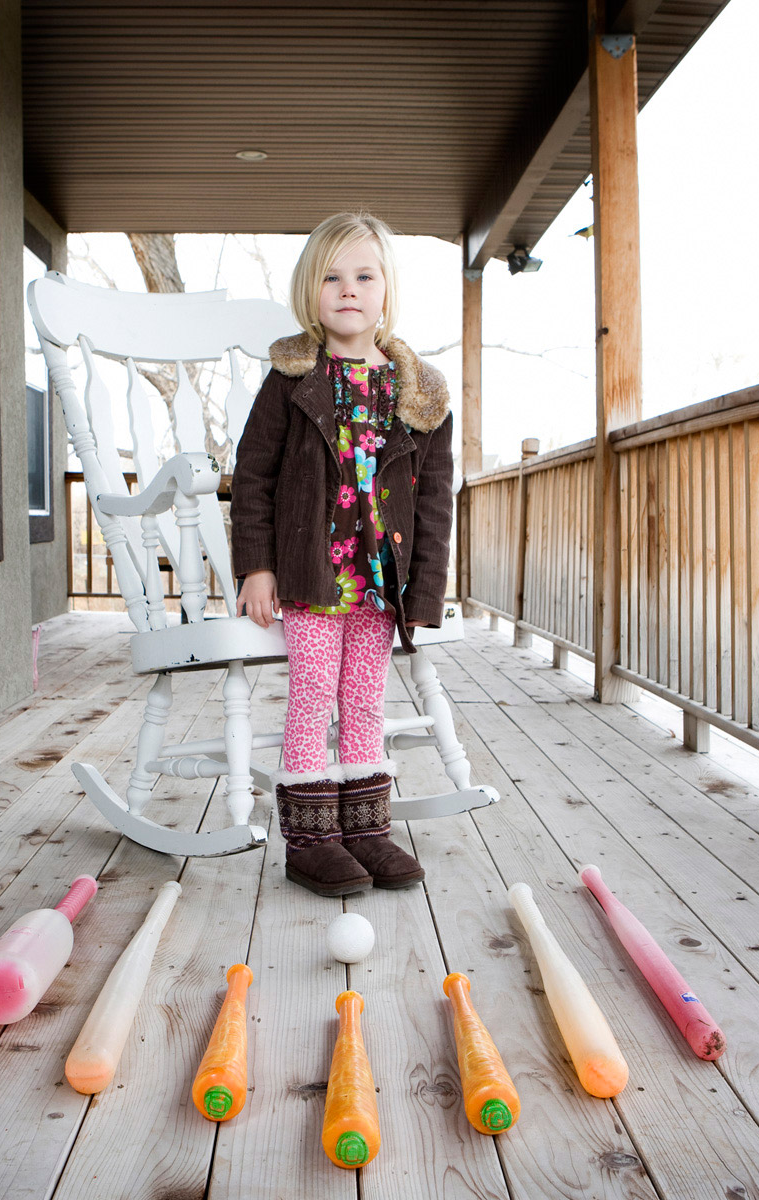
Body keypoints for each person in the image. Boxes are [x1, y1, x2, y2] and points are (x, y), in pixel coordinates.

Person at [230, 212, 453, 897]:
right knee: (312, 694)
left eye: (364, 276)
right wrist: (257, 566)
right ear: (310, 290)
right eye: (331, 277)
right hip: (314, 573)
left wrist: (425, 591)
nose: (348, 289)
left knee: (364, 698)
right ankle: (310, 841)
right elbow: (253, 476)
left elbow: (435, 501)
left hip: (381, 579)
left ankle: (365, 829)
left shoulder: (419, 394)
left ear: (386, 290)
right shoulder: (292, 380)